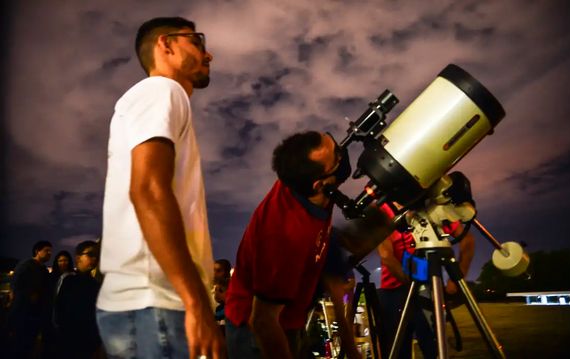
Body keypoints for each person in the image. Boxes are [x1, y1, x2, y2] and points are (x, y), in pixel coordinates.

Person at [96, 16, 224, 359]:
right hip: (159, 303)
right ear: (165, 45)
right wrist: (196, 302)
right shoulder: (161, 90)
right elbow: (148, 191)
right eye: (197, 42)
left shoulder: (155, 97)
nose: (208, 54)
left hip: (146, 303)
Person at [225, 130, 351, 358]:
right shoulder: (285, 237)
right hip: (257, 334)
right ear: (319, 185)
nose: (343, 155)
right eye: (337, 157)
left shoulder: (301, 180)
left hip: (290, 318)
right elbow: (262, 321)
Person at [376, 203, 475, 359]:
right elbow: (386, 255)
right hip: (394, 291)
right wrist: (412, 283)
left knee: (433, 348)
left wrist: (458, 275)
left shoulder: (432, 207)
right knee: (398, 351)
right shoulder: (384, 210)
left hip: (428, 287)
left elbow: (467, 239)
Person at [54, 241, 103, 359]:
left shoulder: (96, 284)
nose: (94, 258)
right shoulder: (67, 279)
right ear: (78, 257)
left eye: (96, 255)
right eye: (90, 254)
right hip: (68, 341)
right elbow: (57, 311)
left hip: (88, 342)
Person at [7, 240, 53, 358]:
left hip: (36, 314)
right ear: (37, 251)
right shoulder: (26, 265)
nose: (50, 253)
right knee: (19, 345)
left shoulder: (43, 269)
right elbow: (15, 286)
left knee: (30, 345)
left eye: (50, 251)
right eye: (46, 251)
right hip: (23, 313)